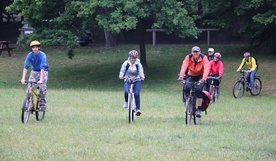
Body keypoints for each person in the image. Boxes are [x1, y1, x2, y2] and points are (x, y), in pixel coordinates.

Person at [178, 46, 210, 118]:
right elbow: (184, 67)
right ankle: (188, 102)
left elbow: (207, 68)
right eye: (194, 52)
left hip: (200, 76)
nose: (195, 53)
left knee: (199, 90)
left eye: (197, 52)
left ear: (200, 52)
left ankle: (199, 109)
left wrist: (204, 79)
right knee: (186, 87)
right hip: (191, 75)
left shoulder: (204, 58)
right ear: (192, 52)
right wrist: (181, 76)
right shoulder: (188, 57)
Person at [20, 40, 49, 111]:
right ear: (31, 49)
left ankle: (43, 105)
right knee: (29, 88)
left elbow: (43, 67)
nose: (35, 49)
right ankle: (28, 103)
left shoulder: (42, 55)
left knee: (42, 88)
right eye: (33, 47)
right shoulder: (30, 55)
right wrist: (23, 78)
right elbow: (26, 66)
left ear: (38, 48)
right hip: (34, 71)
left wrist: (41, 79)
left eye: (36, 47)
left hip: (43, 71)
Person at [119, 50, 145, 116]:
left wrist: (142, 76)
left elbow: (141, 72)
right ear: (130, 57)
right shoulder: (126, 63)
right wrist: (121, 76)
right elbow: (122, 71)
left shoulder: (138, 64)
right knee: (126, 92)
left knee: (136, 93)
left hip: (137, 80)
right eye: (132, 57)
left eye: (135, 57)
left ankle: (138, 109)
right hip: (128, 79)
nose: (133, 59)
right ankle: (127, 102)